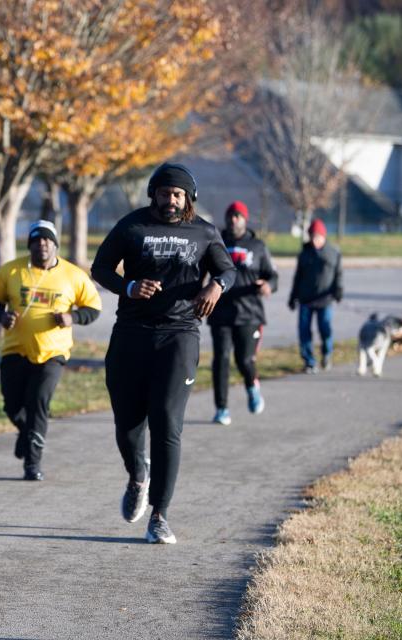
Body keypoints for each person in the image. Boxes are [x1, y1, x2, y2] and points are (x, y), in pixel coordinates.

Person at [91, 162, 235, 544]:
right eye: (165, 192)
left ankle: (160, 515)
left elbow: (228, 269)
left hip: (180, 334)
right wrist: (130, 286)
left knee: (167, 424)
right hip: (132, 334)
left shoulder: (203, 231)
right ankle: (138, 474)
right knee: (127, 423)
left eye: (178, 194)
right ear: (152, 193)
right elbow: (100, 268)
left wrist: (216, 286)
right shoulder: (132, 226)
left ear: (189, 198)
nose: (171, 200)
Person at [0, 220, 103, 481]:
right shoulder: (12, 271)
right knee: (12, 406)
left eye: (47, 240)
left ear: (55, 245)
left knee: (38, 403)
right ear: (30, 244)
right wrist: (2, 317)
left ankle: (32, 464)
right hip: (15, 349)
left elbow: (93, 308)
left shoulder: (73, 275)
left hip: (53, 352)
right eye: (37, 240)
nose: (42, 245)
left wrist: (73, 317)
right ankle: (26, 433)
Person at [208, 201, 278, 426]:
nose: (234, 219)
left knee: (244, 359)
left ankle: (252, 385)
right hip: (220, 312)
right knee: (221, 359)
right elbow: (202, 272)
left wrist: (268, 286)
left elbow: (272, 275)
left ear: (245, 219)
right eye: (231, 215)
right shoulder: (216, 243)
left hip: (249, 313)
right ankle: (221, 408)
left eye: (238, 216)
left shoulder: (257, 246)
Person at [287, 218, 342, 373]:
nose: (314, 239)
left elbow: (339, 275)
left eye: (317, 236)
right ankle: (309, 361)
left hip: (325, 299)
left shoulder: (332, 253)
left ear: (324, 236)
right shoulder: (305, 253)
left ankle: (327, 353)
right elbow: (297, 277)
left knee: (325, 329)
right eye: (312, 236)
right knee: (304, 331)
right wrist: (293, 297)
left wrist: (338, 291)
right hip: (306, 299)